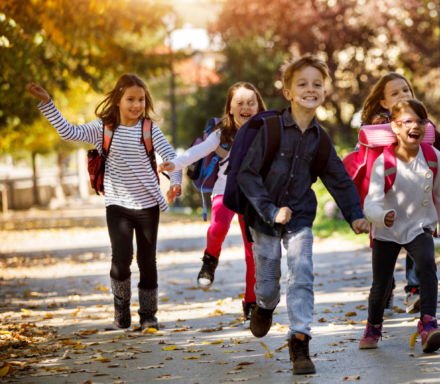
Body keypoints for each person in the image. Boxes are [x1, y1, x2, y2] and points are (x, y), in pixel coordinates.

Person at [238, 54, 369, 375]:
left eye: (317, 84)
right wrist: (270, 210)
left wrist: (355, 215)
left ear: (324, 93)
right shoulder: (269, 129)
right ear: (288, 92)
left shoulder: (321, 140)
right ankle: (264, 306)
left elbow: (339, 179)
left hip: (300, 217)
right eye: (302, 84)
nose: (310, 89)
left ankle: (300, 341)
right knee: (268, 282)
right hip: (264, 218)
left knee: (302, 273)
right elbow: (247, 174)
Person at [26, 75, 182, 331]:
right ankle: (121, 311)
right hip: (117, 205)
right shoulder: (103, 129)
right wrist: (47, 103)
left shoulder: (149, 129)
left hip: (148, 206)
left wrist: (175, 182)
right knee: (121, 259)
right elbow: (69, 132)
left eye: (141, 99)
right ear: (118, 100)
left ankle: (148, 316)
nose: (136, 105)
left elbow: (172, 158)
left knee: (147, 260)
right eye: (130, 99)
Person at [360, 72, 440, 314]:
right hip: (387, 197)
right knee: (384, 262)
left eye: (406, 90)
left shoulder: (419, 124)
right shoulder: (382, 125)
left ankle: (415, 291)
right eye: (395, 93)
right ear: (384, 103)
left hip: (415, 200)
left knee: (419, 242)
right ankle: (384, 294)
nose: (403, 95)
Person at [157, 82, 266, 319]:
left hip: (253, 196)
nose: (245, 107)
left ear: (258, 106)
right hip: (225, 190)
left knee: (252, 251)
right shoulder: (221, 133)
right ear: (230, 107)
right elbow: (199, 151)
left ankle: (252, 302)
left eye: (250, 103)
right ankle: (210, 259)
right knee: (218, 227)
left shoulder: (266, 130)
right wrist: (175, 163)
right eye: (239, 103)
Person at [359, 98, 440, 353]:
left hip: (418, 225)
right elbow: (372, 201)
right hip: (387, 229)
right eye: (408, 121)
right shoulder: (384, 162)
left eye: (421, 121)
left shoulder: (433, 157)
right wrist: (381, 216)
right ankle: (374, 325)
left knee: (427, 264)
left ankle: (428, 323)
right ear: (395, 128)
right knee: (381, 285)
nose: (416, 126)